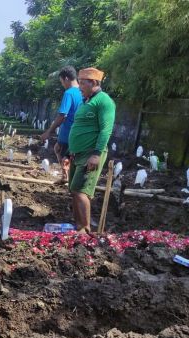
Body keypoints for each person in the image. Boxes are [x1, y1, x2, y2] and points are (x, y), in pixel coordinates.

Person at [67, 67, 115, 233]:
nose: (79, 86)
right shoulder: (86, 101)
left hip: (91, 153)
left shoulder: (104, 101)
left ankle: (85, 229)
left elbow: (105, 130)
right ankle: (77, 225)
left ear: (94, 82)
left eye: (82, 83)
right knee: (74, 190)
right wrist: (72, 150)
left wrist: (96, 154)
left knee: (81, 191)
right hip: (78, 154)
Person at [40, 66, 83, 184]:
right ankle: (67, 177)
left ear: (66, 79)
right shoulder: (83, 92)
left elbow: (62, 115)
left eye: (62, 82)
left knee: (64, 156)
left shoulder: (69, 93)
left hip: (68, 131)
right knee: (60, 150)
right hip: (79, 131)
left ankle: (66, 178)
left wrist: (49, 131)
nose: (63, 84)